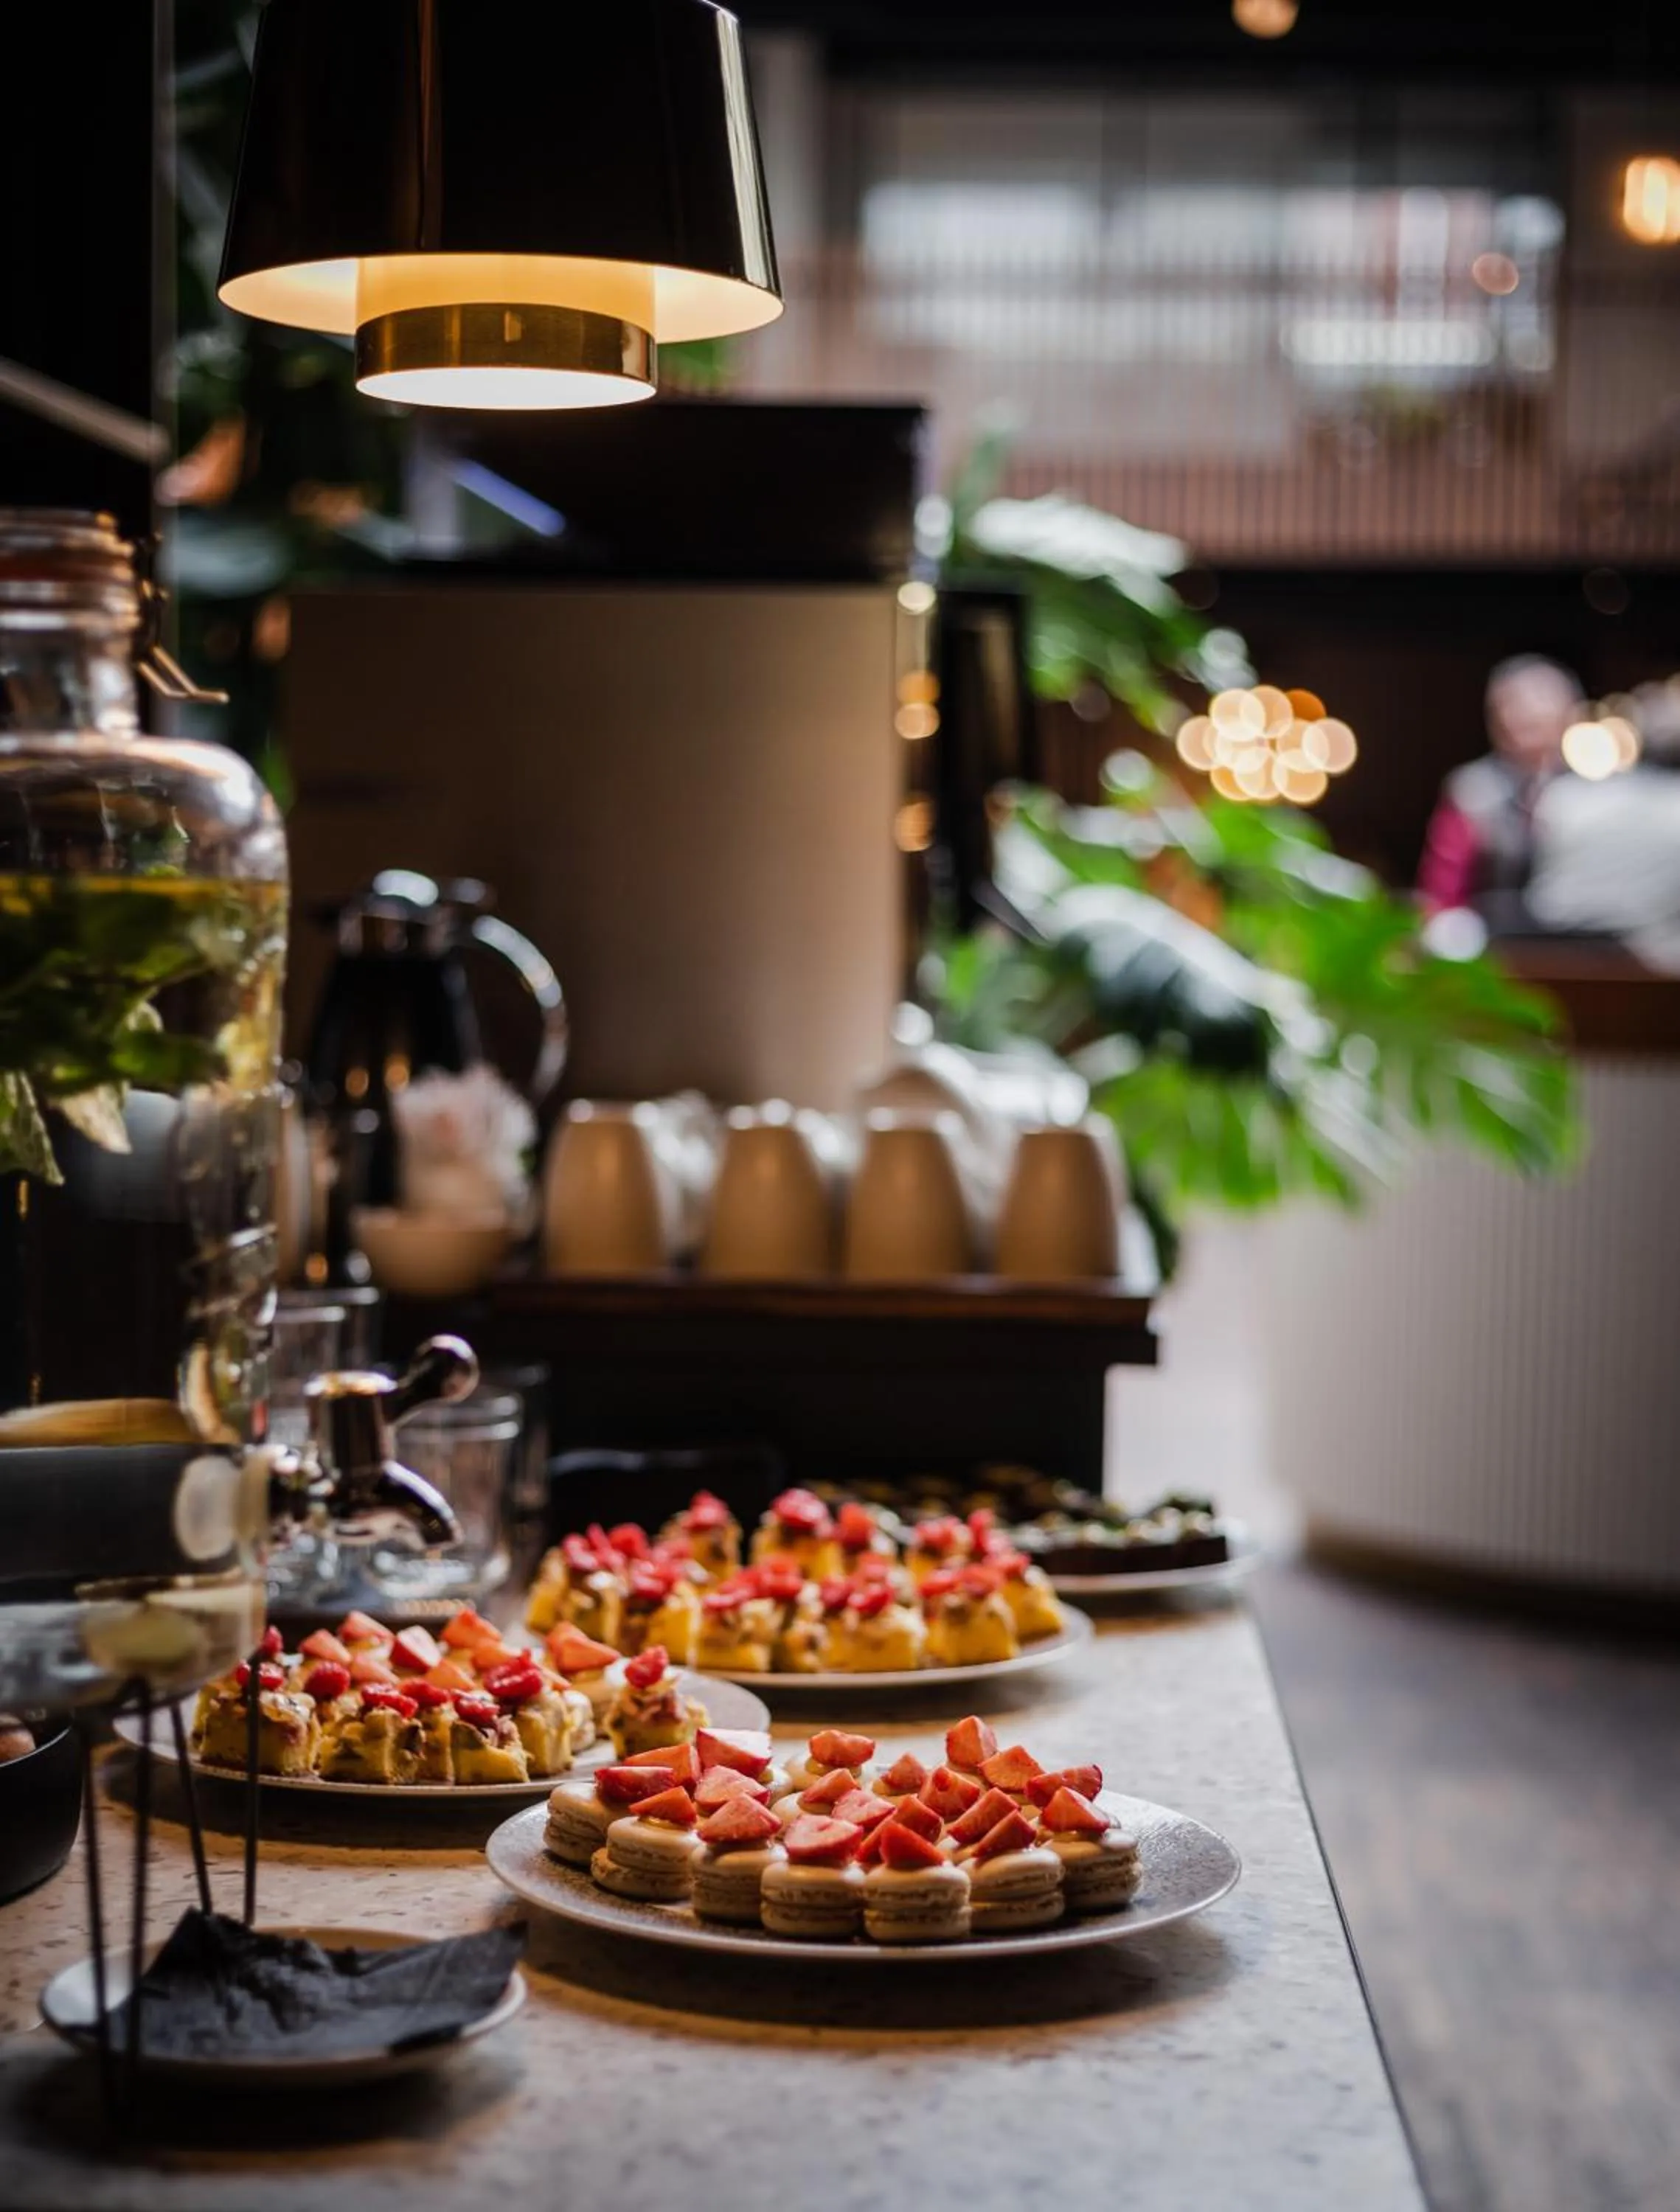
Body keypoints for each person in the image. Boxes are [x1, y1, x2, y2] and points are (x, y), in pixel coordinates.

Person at [1417, 655, 1582, 921]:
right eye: (1510, 703)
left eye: (1540, 699)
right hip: (1492, 942)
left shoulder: (1594, 793)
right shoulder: (1472, 792)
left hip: (1582, 947)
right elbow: (1442, 891)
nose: (1523, 712)